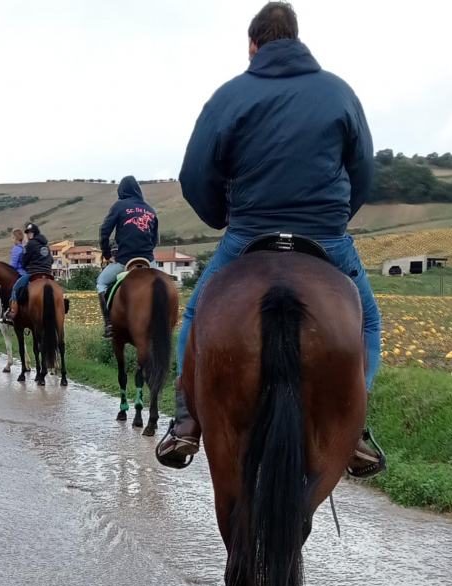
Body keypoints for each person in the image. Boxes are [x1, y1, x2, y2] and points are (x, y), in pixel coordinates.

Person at [155, 2, 384, 477]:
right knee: (368, 324)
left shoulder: (229, 96)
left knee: (195, 316)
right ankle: (356, 428)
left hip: (248, 235)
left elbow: (195, 174)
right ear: (298, 39)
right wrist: (337, 220)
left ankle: (185, 423)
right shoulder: (340, 93)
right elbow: (363, 171)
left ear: (253, 45)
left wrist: (222, 217)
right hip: (326, 237)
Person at [96, 176, 159, 338]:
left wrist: (107, 254)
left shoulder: (119, 206)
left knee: (101, 283)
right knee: (163, 285)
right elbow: (155, 240)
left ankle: (109, 324)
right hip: (148, 261)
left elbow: (104, 231)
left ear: (121, 191)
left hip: (125, 260)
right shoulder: (150, 209)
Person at [3, 223, 52, 323]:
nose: (28, 235)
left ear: (33, 234)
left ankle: (13, 312)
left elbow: (24, 261)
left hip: (34, 273)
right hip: (47, 273)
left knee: (16, 288)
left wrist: (26, 267)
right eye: (27, 233)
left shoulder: (30, 244)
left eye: (29, 233)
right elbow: (51, 260)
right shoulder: (46, 245)